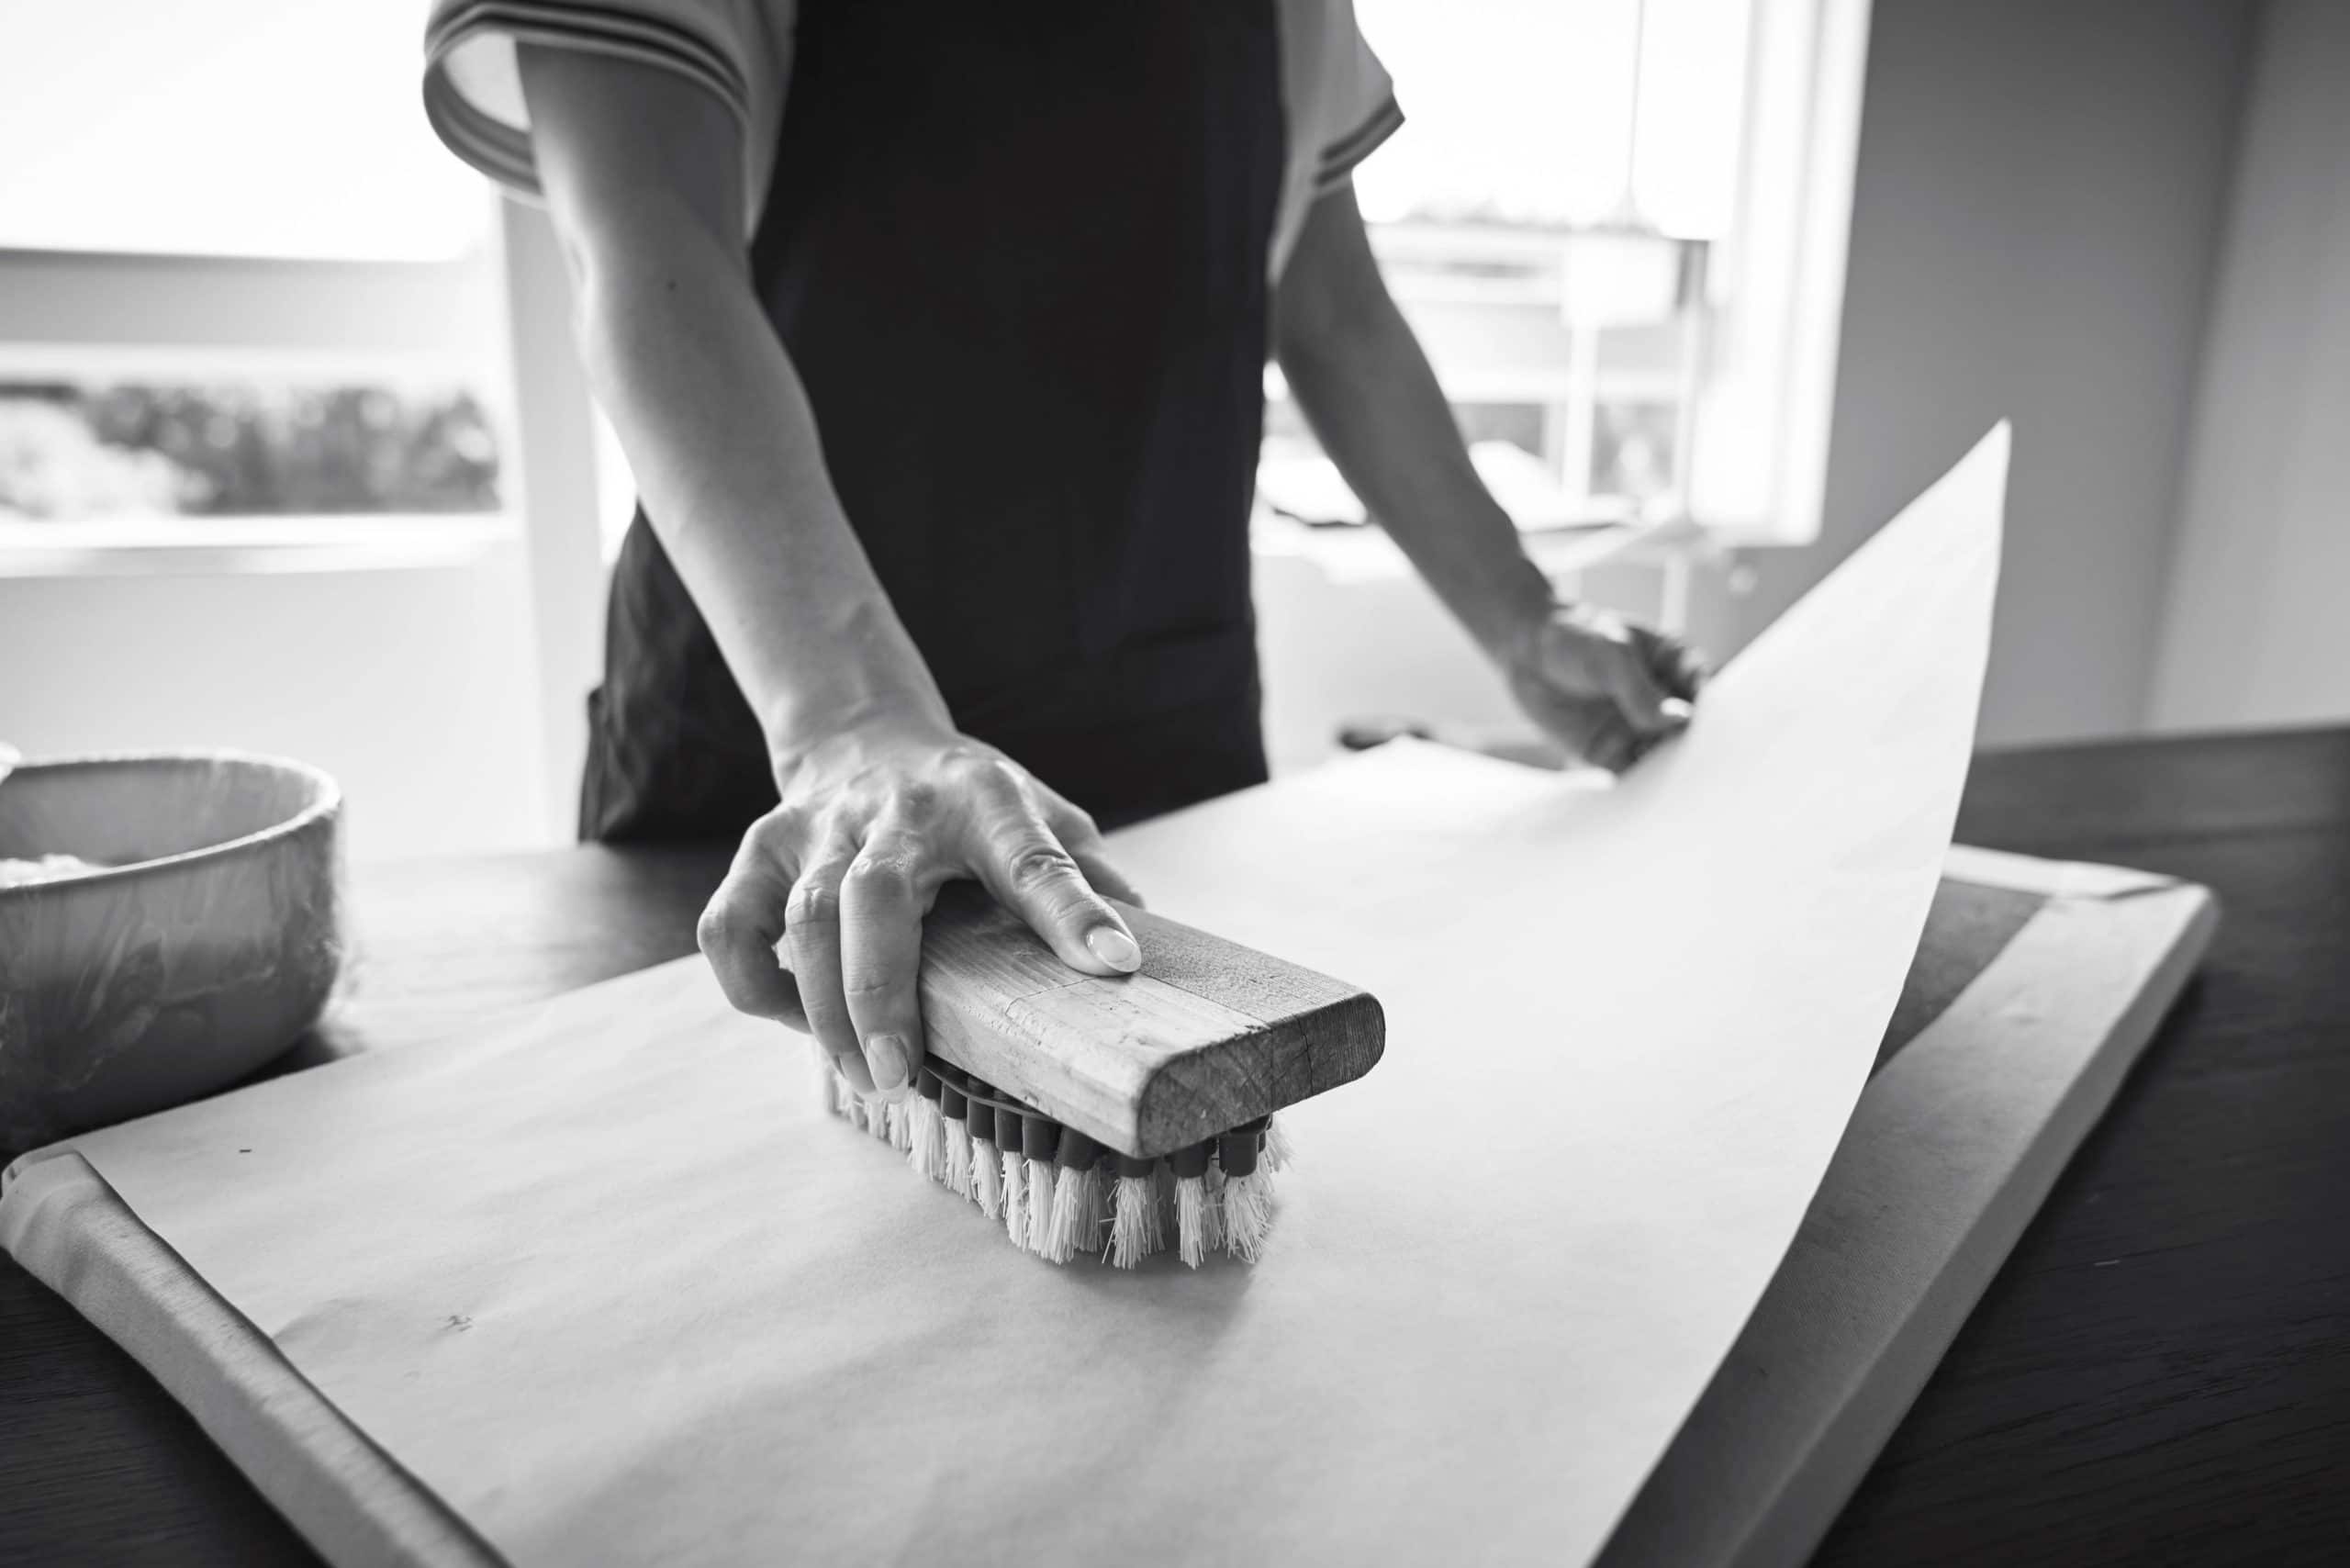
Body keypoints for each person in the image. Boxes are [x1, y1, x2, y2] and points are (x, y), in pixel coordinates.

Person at [421, 0, 1703, 1101]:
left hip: (1160, 742)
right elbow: (648, 247)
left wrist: (1523, 620)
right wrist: (855, 724)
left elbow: (1334, 308)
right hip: (786, 756)